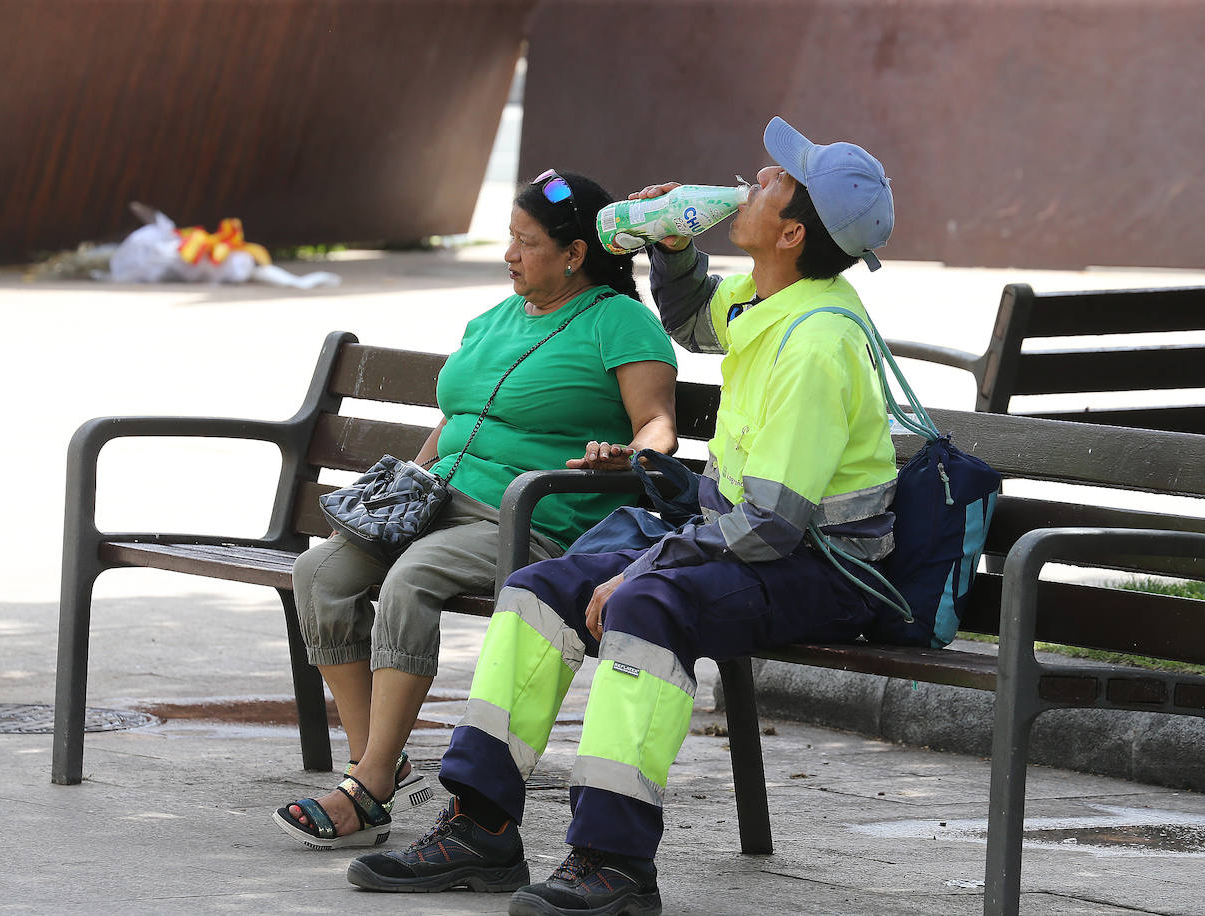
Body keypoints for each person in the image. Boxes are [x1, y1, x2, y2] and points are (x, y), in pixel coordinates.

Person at [346, 117, 900, 915]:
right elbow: (693, 320)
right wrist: (670, 244)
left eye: (778, 179)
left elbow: (772, 529)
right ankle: (480, 825)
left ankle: (613, 862)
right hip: (746, 536)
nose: (757, 175)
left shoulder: (817, 343)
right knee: (541, 589)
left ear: (788, 231)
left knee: (645, 606)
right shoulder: (773, 295)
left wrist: (652, 562)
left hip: (824, 566)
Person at [272, 170, 680, 849]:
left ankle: (368, 786)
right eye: (510, 240)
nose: (510, 255)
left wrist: (628, 457)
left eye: (526, 242)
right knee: (320, 574)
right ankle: (379, 757)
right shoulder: (494, 319)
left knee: (411, 579)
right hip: (437, 503)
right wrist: (410, 484)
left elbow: (658, 425)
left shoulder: (621, 321)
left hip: (527, 518)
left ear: (575, 253)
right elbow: (455, 417)